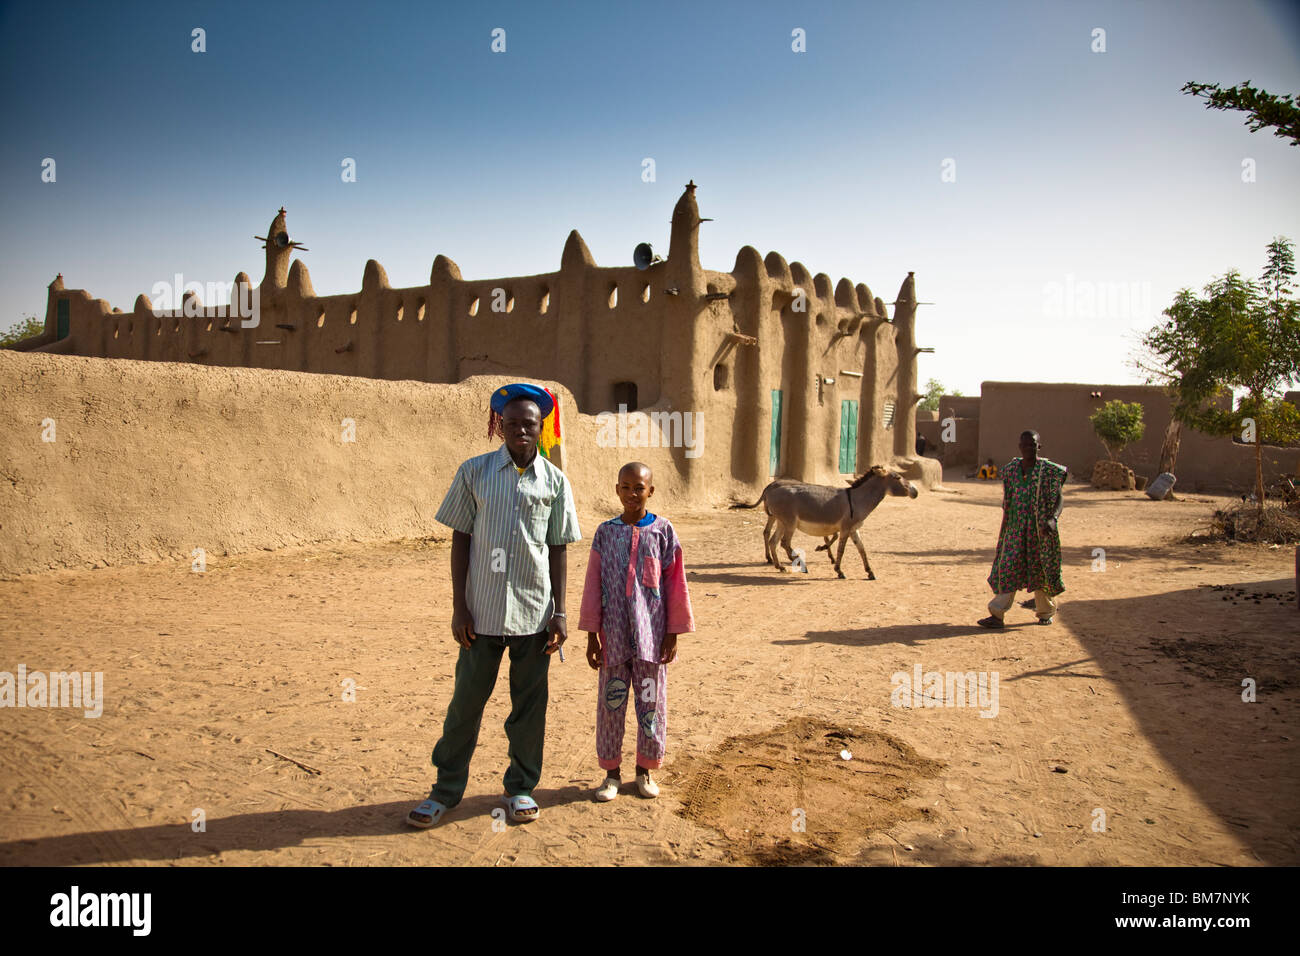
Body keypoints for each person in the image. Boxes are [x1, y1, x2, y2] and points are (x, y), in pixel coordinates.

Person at [407, 383, 581, 828]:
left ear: (541, 429)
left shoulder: (555, 481)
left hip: (534, 614)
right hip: (480, 613)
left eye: (529, 424)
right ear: (499, 427)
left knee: (528, 707)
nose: (521, 430)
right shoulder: (474, 472)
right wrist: (458, 607)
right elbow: (460, 538)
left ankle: (520, 787)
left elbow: (558, 547)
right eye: (512, 423)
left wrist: (560, 612)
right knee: (466, 703)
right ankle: (445, 791)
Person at [579, 461, 694, 801]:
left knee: (651, 703)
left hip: (651, 639)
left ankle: (644, 770)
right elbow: (592, 585)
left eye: (639, 488)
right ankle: (611, 773)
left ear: (650, 491)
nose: (632, 494)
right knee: (610, 705)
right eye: (625, 487)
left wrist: (672, 632)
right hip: (612, 639)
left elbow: (676, 584)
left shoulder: (663, 531)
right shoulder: (605, 532)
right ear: (617, 490)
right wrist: (591, 635)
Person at [978, 430, 1067, 627]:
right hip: (1015, 529)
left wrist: (1053, 518)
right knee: (1008, 566)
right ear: (1019, 446)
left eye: (1033, 445)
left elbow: (1060, 495)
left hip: (1041, 530)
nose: (1029, 448)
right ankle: (997, 614)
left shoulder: (1049, 470)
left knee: (1041, 570)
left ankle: (1045, 612)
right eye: (1025, 445)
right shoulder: (1010, 470)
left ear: (1039, 447)